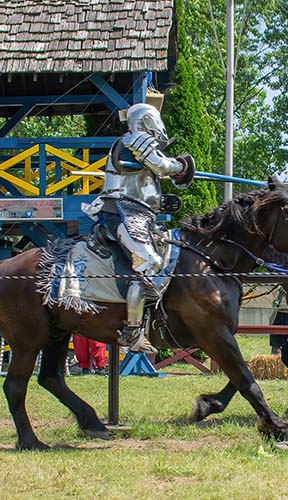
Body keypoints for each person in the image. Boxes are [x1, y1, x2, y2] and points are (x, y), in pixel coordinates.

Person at [84, 103, 194, 354]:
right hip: (123, 212)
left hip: (138, 214)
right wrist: (182, 166)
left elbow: (144, 182)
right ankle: (132, 334)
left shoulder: (134, 145)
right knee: (150, 261)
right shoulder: (135, 139)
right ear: (146, 121)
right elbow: (162, 166)